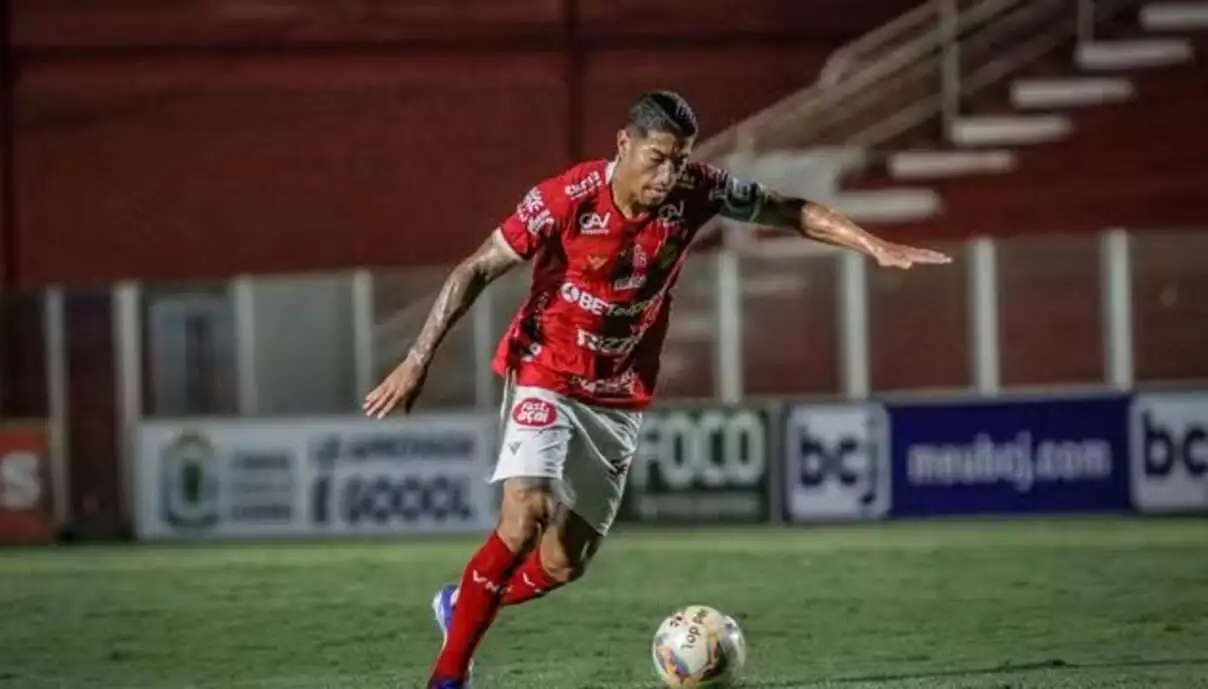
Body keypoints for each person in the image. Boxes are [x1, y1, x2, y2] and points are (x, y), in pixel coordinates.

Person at [363, 90, 950, 689]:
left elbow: (789, 210)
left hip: (618, 392)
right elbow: (476, 268)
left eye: (680, 159)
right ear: (624, 144)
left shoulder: (697, 189)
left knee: (566, 563)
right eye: (658, 158)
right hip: (546, 368)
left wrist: (875, 245)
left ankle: (457, 605)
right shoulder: (566, 198)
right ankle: (448, 675)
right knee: (526, 516)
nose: (668, 174)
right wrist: (417, 360)